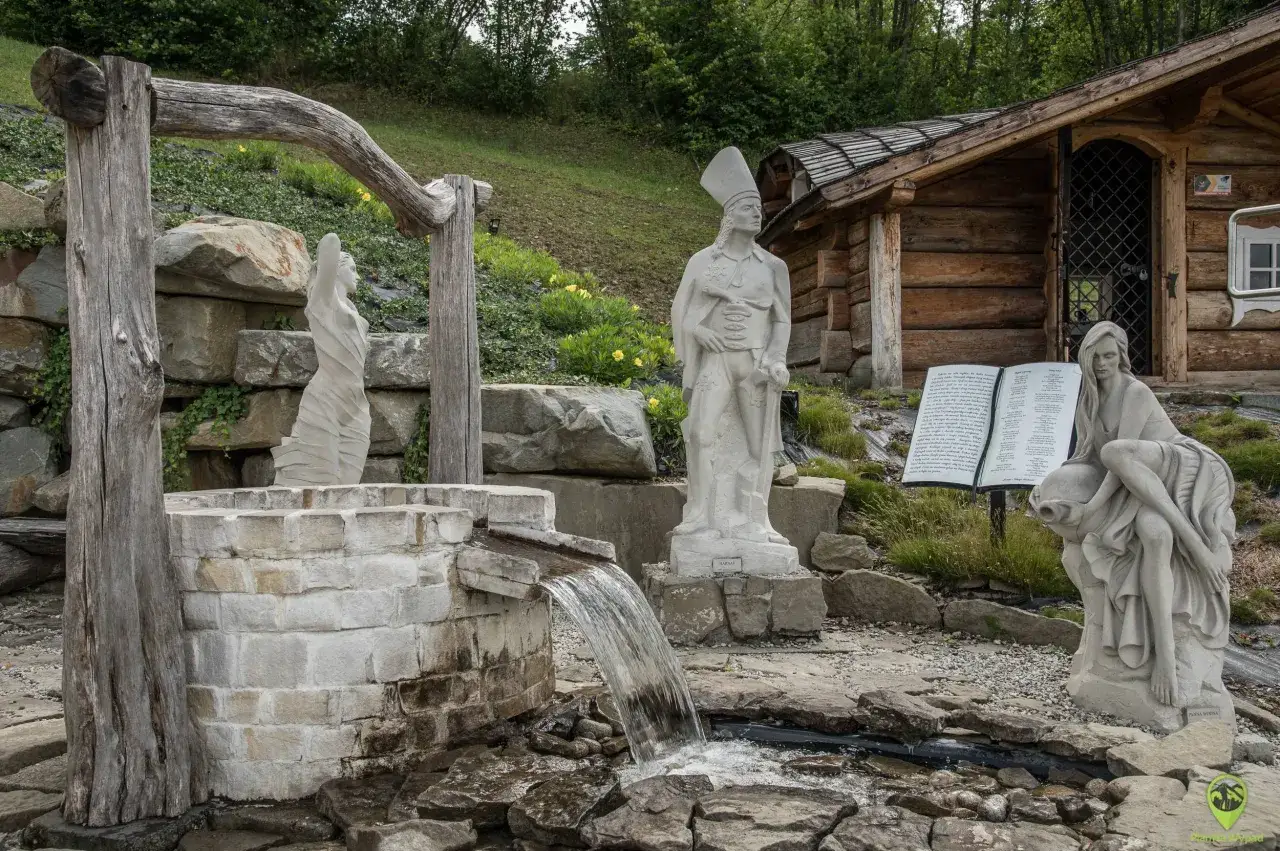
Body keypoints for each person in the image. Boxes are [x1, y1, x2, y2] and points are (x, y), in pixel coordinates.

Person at [1052, 321, 1234, 706]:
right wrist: (1054, 496)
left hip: (1180, 470)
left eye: (1109, 356)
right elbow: (1087, 458)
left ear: (1121, 356)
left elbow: (1119, 456)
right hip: (1140, 489)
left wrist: (1092, 507)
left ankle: (1195, 546)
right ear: (1084, 358)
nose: (1102, 364)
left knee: (1117, 455)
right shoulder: (1089, 401)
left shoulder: (1135, 391)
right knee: (1153, 535)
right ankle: (1162, 659)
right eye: (1095, 357)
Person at [670, 147, 790, 542]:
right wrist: (697, 333)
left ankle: (757, 519)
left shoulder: (773, 268)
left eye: (758, 207)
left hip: (754, 364)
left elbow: (781, 318)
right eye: (747, 207)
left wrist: (776, 359)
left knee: (760, 444)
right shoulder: (704, 262)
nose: (757, 213)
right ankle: (701, 514)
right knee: (702, 434)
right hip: (716, 363)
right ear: (729, 215)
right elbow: (683, 310)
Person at [272, 233, 371, 486]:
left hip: (356, 405)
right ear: (337, 271)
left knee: (347, 487)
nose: (358, 276)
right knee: (312, 481)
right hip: (325, 399)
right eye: (353, 269)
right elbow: (330, 243)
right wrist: (334, 252)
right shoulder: (324, 302)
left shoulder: (352, 309)